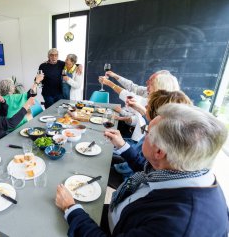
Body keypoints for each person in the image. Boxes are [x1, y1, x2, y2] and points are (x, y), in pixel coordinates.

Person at [56, 103, 228, 237]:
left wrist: (71, 209)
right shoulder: (182, 170)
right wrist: (123, 147)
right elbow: (151, 174)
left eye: (147, 132)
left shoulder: (175, 226)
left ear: (159, 151)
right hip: (120, 215)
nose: (143, 135)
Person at [106, 90, 193, 188]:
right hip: (127, 166)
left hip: (130, 176)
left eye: (149, 105)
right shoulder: (166, 130)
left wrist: (122, 146)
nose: (145, 107)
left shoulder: (157, 140)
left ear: (160, 113)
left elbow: (142, 168)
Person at [104, 69, 171, 98]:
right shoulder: (147, 90)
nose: (146, 82)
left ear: (159, 86)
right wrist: (115, 76)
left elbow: (128, 96)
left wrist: (109, 83)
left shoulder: (156, 100)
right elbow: (132, 87)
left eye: (151, 81)